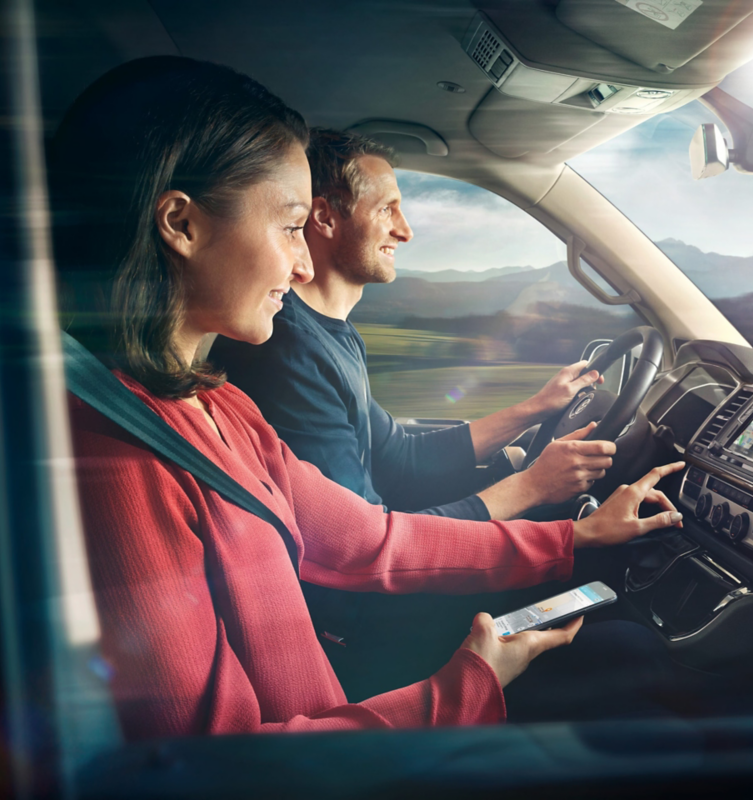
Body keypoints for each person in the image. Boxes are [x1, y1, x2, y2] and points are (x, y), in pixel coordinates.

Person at [51, 55, 684, 740]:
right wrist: (465, 688)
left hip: (343, 741)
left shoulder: (223, 407)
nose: (300, 265)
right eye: (290, 226)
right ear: (181, 225)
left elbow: (368, 541)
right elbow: (219, 763)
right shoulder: (116, 466)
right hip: (340, 766)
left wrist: (573, 537)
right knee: (639, 669)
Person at [210, 127, 613, 525]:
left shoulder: (333, 335)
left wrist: (535, 409)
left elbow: (401, 459)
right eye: (387, 209)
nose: (405, 231)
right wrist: (531, 488)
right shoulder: (289, 351)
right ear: (325, 218)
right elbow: (359, 543)